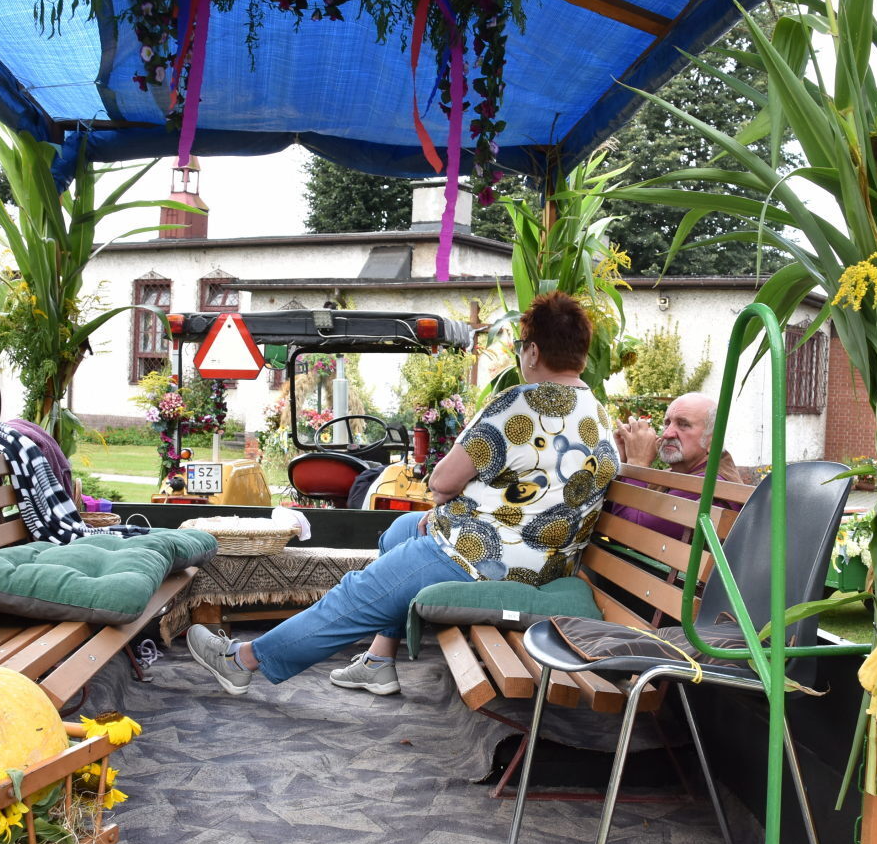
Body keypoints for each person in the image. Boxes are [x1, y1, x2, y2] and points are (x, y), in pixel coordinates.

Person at [186, 292, 620, 697]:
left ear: (533, 351)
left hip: (481, 560)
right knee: (401, 530)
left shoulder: (519, 404)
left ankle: (242, 660)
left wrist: (447, 509)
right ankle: (379, 659)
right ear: (581, 355)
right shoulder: (599, 415)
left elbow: (443, 483)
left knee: (357, 592)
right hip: (545, 562)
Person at [610, 392, 742, 537]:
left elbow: (624, 533)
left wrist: (637, 462)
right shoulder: (679, 475)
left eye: (683, 424)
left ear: (713, 441)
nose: (667, 434)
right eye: (667, 423)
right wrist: (624, 462)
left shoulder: (709, 483)